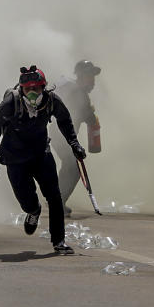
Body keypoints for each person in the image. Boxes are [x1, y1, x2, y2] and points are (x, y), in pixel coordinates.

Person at [0, 65, 86, 255]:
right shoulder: (11, 102)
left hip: (41, 154)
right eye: (28, 89)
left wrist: (74, 144)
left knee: (55, 197)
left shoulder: (51, 100)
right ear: (21, 89)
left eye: (36, 88)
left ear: (44, 87)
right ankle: (33, 212)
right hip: (15, 157)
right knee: (26, 200)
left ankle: (59, 241)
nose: (32, 92)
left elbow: (65, 121)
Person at [52, 60, 101, 215]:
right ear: (81, 76)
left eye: (93, 77)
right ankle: (57, 202)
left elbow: (87, 117)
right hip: (60, 135)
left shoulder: (76, 92)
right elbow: (89, 118)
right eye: (89, 76)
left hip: (61, 135)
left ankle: (56, 200)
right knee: (73, 166)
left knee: (70, 165)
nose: (93, 81)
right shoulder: (77, 93)